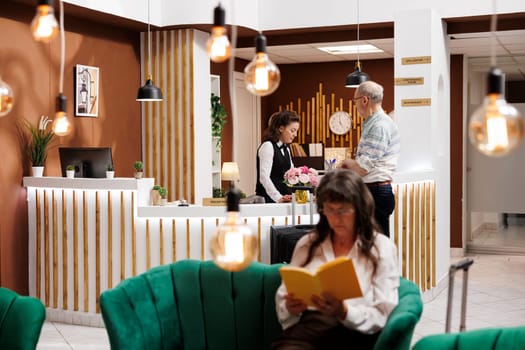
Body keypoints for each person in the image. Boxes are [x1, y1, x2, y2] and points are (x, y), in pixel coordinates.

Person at [272, 169, 399, 350]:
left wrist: (345, 312)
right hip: (310, 329)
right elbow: (284, 296)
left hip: (357, 333)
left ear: (360, 208)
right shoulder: (308, 244)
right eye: (329, 209)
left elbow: (383, 313)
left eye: (343, 210)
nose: (336, 218)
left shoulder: (381, 248)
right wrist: (290, 307)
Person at [340, 81, 400, 237]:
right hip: (373, 191)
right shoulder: (374, 123)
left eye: (355, 101)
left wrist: (347, 162)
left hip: (376, 192)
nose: (355, 105)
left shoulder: (379, 126)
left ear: (364, 100)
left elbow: (362, 168)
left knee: (375, 247)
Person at [256, 110, 300, 203]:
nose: (295, 135)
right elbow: (264, 177)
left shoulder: (286, 149)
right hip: (268, 200)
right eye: (292, 130)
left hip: (284, 198)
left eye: (296, 131)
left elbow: (291, 174)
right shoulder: (268, 146)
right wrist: (278, 197)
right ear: (281, 128)